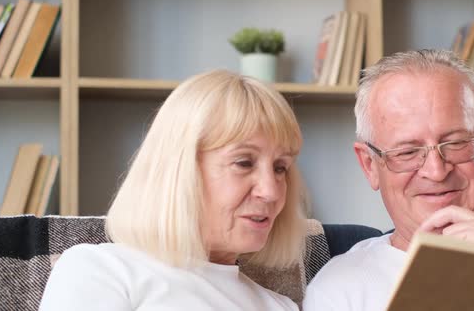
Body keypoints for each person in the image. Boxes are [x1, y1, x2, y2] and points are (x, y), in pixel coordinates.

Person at [302, 49, 474, 311]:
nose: (436, 172)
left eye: (456, 143)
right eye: (407, 152)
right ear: (369, 165)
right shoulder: (339, 292)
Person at [40, 70, 306, 310]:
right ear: (179, 169)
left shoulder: (280, 306)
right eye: (243, 162)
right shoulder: (100, 271)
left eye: (280, 167)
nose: (270, 192)